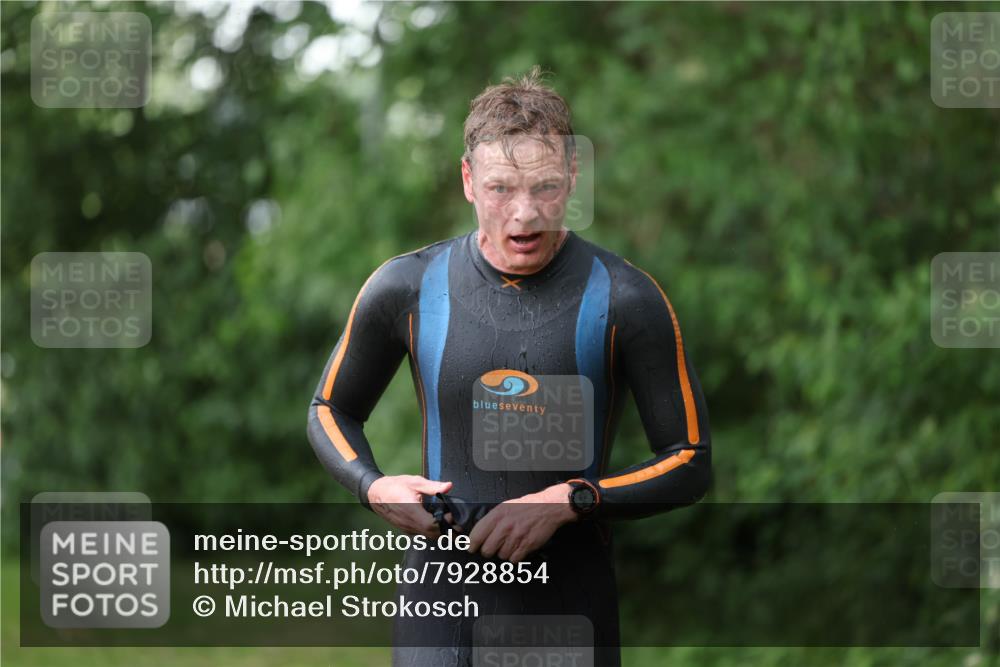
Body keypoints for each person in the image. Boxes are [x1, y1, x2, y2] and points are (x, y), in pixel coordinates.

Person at [307, 66, 711, 667]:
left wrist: (569, 500)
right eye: (501, 189)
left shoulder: (625, 298)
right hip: (438, 608)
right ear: (468, 180)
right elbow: (330, 409)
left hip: (568, 609)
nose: (523, 214)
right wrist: (373, 487)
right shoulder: (408, 286)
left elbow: (689, 460)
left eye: (545, 187)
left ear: (573, 178)